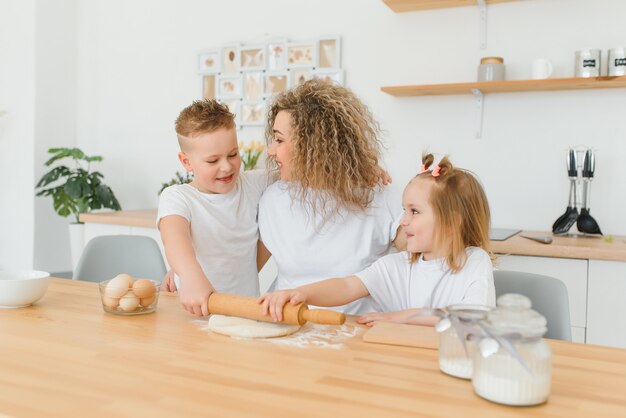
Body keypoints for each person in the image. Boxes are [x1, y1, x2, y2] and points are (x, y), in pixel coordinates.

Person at [258, 154, 496, 326]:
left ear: (452, 222)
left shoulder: (475, 261)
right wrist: (301, 294)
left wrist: (395, 318)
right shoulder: (399, 266)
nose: (403, 221)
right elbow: (347, 286)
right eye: (404, 210)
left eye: (414, 212)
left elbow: (468, 315)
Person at [257, 79, 406, 315]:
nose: (271, 150)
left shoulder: (378, 194)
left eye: (280, 139)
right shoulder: (273, 199)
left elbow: (421, 260)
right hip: (287, 329)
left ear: (312, 145)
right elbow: (242, 264)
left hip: (356, 333)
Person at [158, 99, 271, 316]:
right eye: (212, 161)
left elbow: (297, 173)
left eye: (233, 154)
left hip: (244, 313)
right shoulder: (178, 197)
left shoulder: (253, 184)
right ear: (186, 162)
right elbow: (174, 238)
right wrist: (189, 276)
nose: (226, 166)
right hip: (193, 313)